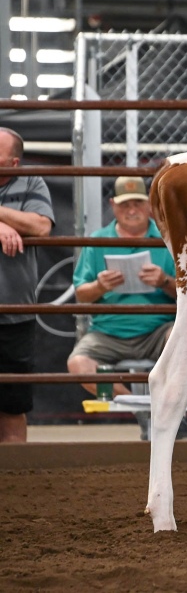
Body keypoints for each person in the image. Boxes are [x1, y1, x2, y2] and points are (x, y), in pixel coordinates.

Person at [67, 177, 177, 398]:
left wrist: (164, 281)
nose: (132, 210)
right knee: (79, 364)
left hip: (159, 329)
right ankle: (139, 409)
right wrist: (100, 286)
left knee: (183, 344)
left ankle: (167, 408)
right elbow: (81, 295)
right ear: (113, 205)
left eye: (137, 203)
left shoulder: (169, 238)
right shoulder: (97, 241)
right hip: (107, 333)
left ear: (149, 205)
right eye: (125, 204)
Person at [0, 127, 55, 443]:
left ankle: (17, 478)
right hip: (14, 310)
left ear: (14, 163)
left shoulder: (32, 182)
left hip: (15, 314)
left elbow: (41, 227)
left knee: (12, 405)